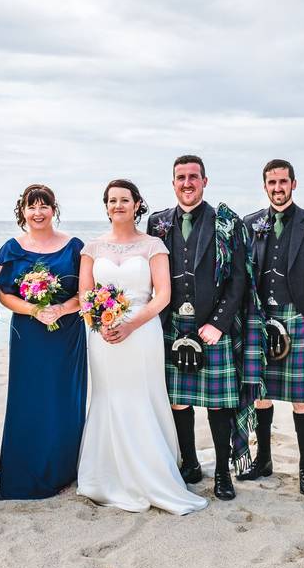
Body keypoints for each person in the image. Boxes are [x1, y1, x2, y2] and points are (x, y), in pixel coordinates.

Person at [76, 179, 207, 514]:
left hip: (143, 331)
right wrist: (99, 324)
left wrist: (132, 323)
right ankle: (107, 476)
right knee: (108, 397)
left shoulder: (153, 246)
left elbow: (163, 295)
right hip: (103, 335)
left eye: (124, 200)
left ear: (137, 204)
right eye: (112, 200)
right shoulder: (91, 248)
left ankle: (152, 474)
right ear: (105, 206)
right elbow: (84, 295)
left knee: (141, 396)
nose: (118, 205)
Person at [147, 155, 249, 501]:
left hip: (211, 325)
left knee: (218, 404)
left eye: (193, 177)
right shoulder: (158, 222)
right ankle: (189, 464)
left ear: (205, 181)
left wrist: (218, 324)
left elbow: (238, 280)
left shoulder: (225, 222)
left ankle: (222, 472)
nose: (187, 183)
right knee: (177, 403)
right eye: (180, 178)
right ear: (173, 182)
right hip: (173, 322)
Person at [239, 160, 304, 495]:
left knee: (301, 400)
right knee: (261, 396)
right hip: (259, 321)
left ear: (293, 184)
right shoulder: (250, 224)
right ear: (264, 185)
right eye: (272, 182)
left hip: (295, 318)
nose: (277, 188)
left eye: (283, 182)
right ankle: (263, 459)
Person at [0, 184, 86, 499]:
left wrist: (60, 308)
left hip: (68, 331)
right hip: (28, 333)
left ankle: (64, 469)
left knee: (64, 397)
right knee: (28, 398)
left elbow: (84, 294)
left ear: (53, 209)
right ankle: (26, 469)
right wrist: (35, 309)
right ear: (23, 211)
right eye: (31, 207)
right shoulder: (13, 247)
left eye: (43, 206)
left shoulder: (74, 247)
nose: (37, 212)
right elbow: (3, 294)